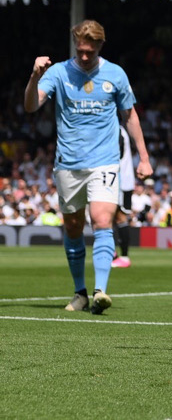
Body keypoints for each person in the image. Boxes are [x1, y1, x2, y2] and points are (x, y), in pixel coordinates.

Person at [24, 20, 152, 314]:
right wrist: (34, 76)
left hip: (104, 161)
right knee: (72, 227)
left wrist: (144, 157)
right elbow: (31, 106)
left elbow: (130, 116)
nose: (84, 57)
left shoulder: (115, 74)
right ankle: (80, 292)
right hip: (68, 163)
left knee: (102, 220)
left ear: (100, 47)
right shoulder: (57, 73)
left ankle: (100, 291)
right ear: (75, 45)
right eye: (80, 51)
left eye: (89, 52)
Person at [111, 127, 135, 268]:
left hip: (120, 181)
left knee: (119, 217)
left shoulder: (117, 130)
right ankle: (113, 255)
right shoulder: (118, 130)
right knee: (111, 218)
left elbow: (116, 154)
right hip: (119, 180)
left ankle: (123, 257)